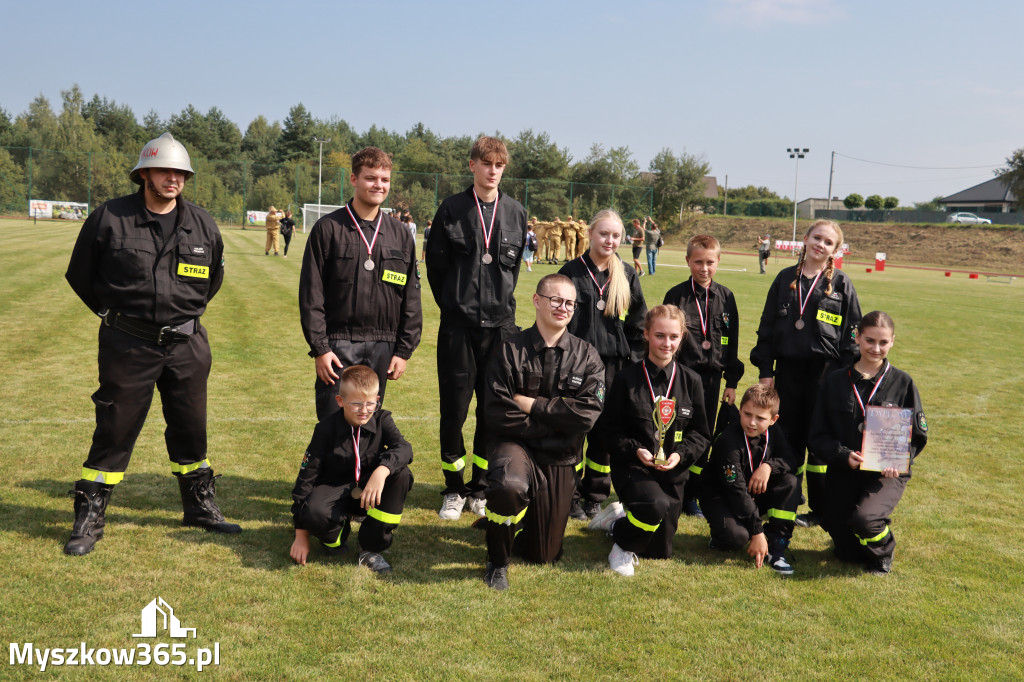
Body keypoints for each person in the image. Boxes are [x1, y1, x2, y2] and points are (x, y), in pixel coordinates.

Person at [63, 132, 241, 556]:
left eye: (180, 172)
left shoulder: (201, 223)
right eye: (164, 170)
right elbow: (80, 275)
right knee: (115, 427)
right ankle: (90, 517)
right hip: (129, 344)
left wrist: (181, 318)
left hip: (187, 344)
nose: (172, 178)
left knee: (190, 427)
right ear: (144, 173)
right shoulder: (111, 217)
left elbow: (212, 280)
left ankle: (199, 508)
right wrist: (115, 317)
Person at [481, 274, 605, 590]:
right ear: (537, 301)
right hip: (516, 447)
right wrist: (551, 423)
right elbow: (497, 412)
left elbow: (587, 415)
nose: (563, 307)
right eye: (556, 300)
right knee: (509, 487)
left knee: (544, 554)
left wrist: (534, 406)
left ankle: (519, 523)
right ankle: (497, 562)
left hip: (560, 454)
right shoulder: (509, 350)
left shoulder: (587, 355)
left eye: (569, 303)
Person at [425, 136, 527, 521]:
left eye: (499, 165)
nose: (493, 171)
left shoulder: (516, 212)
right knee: (453, 411)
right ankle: (453, 488)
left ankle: (480, 488)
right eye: (486, 164)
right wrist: (455, 306)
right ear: (472, 166)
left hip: (500, 331)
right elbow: (436, 269)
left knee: (492, 412)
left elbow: (511, 273)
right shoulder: (451, 209)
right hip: (458, 329)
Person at [750, 219, 862, 529]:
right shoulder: (785, 278)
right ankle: (786, 499)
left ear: (835, 250)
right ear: (805, 238)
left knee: (821, 443)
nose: (820, 245)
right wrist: (765, 371)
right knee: (787, 440)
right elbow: (768, 328)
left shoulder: (841, 284)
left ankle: (822, 509)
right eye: (817, 238)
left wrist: (845, 378)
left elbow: (853, 335)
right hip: (787, 374)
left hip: (827, 376)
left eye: (828, 242)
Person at [299, 147, 422, 422]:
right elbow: (311, 294)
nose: (379, 185)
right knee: (334, 424)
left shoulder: (400, 234)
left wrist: (403, 351)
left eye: (385, 179)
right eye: (371, 178)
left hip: (383, 345)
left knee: (369, 427)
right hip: (338, 346)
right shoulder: (328, 229)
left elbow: (411, 296)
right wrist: (320, 348)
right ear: (354, 179)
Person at [588, 305, 710, 576]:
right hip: (634, 468)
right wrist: (635, 451)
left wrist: (680, 456)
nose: (667, 343)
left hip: (672, 471)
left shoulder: (692, 381)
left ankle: (616, 521)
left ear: (681, 338)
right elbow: (608, 431)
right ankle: (621, 546)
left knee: (659, 550)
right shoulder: (626, 379)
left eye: (673, 337)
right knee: (655, 506)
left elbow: (701, 434)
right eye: (659, 336)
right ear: (646, 335)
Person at [808, 311, 927, 575]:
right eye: (870, 340)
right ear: (857, 338)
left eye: (883, 342)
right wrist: (843, 455)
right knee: (843, 546)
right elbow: (817, 436)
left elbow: (918, 435)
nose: (876, 348)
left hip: (887, 473)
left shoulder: (903, 382)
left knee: (865, 520)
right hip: (847, 468)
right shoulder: (836, 382)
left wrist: (899, 460)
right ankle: (854, 539)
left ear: (892, 341)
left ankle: (883, 551)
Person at [559, 209, 647, 519]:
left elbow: (639, 328)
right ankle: (568, 495)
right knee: (573, 432)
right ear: (591, 234)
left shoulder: (627, 275)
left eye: (615, 236)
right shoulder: (570, 272)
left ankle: (594, 495)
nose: (609, 240)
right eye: (603, 234)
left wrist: (634, 366)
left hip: (614, 368)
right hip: (575, 368)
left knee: (604, 434)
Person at [289, 365, 414, 574]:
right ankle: (336, 535)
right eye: (356, 403)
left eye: (370, 403)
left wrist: (382, 471)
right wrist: (301, 535)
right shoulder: (325, 429)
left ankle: (371, 547)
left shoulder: (382, 419)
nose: (364, 410)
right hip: (335, 488)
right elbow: (306, 478)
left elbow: (404, 448)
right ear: (341, 401)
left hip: (369, 491)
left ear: (377, 400)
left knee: (401, 474)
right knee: (313, 513)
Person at [663, 235, 744, 519]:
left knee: (704, 436)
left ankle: (692, 493)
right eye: (698, 262)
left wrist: (731, 382)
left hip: (712, 381)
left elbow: (732, 342)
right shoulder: (676, 295)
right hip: (682, 378)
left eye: (710, 262)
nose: (704, 268)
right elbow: (666, 338)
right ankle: (673, 485)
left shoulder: (727, 296)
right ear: (688, 261)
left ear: (718, 261)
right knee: (676, 432)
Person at [700, 384, 799, 575]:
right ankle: (721, 535)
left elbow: (790, 459)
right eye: (747, 414)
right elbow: (735, 490)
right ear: (740, 410)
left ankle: (777, 547)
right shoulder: (728, 440)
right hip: (722, 495)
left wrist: (768, 467)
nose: (752, 422)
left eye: (760, 418)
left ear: (773, 420)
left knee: (790, 482)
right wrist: (756, 531)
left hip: (752, 493)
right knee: (735, 538)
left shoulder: (775, 432)